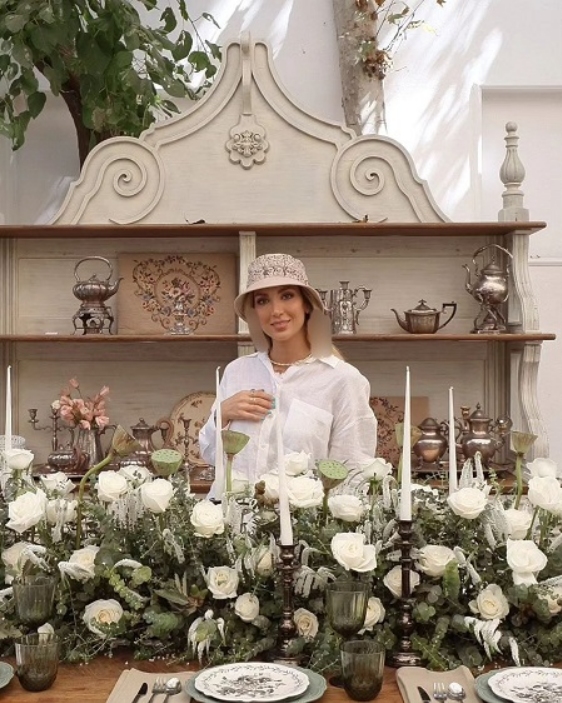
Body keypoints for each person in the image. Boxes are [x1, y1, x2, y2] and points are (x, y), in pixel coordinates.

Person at [199, 253, 377, 487]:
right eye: (262, 301)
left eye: (287, 296)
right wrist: (220, 415)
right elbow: (211, 456)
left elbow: (353, 473)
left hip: (306, 512)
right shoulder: (237, 371)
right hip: (232, 509)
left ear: (306, 304)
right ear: (254, 312)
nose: (276, 310)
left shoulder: (343, 380)